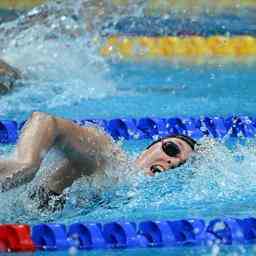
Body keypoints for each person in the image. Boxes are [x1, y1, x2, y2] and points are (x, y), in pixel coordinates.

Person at [0, 112, 197, 211]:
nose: (171, 162)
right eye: (172, 149)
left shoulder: (135, 196)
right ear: (150, 147)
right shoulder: (108, 156)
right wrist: (26, 163)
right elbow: (45, 121)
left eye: (179, 165)